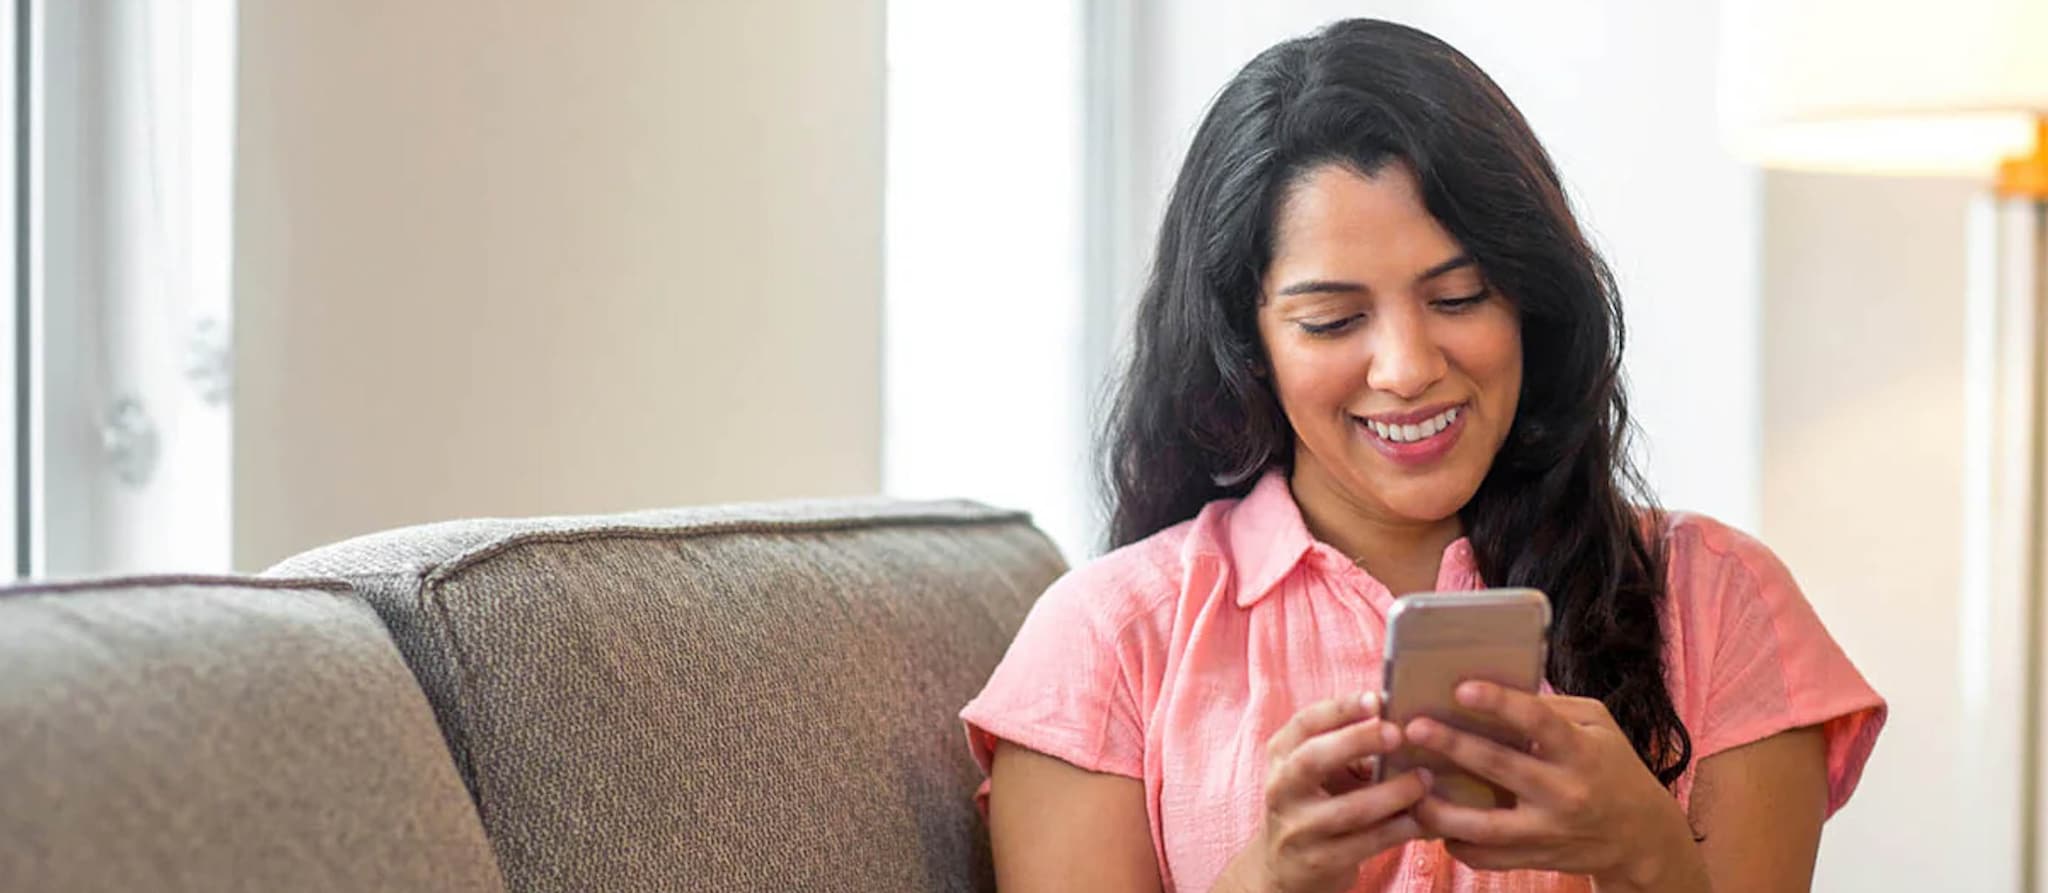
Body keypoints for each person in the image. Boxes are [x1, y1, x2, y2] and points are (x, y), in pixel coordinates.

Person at [959, 17, 1885, 893]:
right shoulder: (1106, 644)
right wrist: (1269, 875)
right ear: (1247, 342)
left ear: (1533, 301)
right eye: (1333, 319)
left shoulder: (1719, 602)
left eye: (1460, 298)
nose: (1407, 369)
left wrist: (1646, 854)